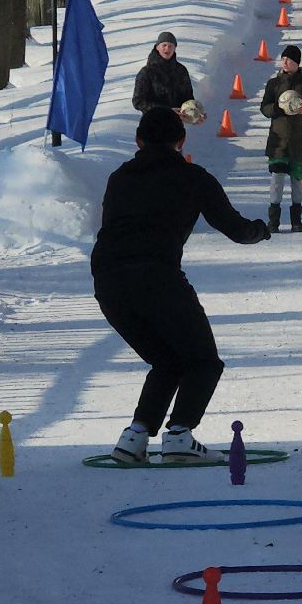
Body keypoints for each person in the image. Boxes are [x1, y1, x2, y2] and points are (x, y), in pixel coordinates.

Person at [92, 108, 272, 463]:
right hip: (156, 276)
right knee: (204, 361)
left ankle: (135, 437)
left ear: (138, 140)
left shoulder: (119, 177)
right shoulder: (193, 177)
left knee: (167, 360)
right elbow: (235, 229)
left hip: (108, 282)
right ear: (182, 140)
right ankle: (179, 435)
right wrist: (260, 231)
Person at [258, 44, 302, 233]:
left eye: (290, 60)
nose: (285, 63)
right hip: (278, 141)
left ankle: (296, 220)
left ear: (297, 63)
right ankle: (273, 221)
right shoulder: (274, 84)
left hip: (300, 141)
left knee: (297, 182)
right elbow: (264, 108)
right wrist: (276, 109)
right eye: (283, 59)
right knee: (276, 180)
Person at [132, 31, 196, 116]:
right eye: (164, 45)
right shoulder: (147, 72)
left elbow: (188, 98)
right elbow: (138, 101)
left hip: (176, 123)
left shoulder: (181, 70)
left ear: (175, 48)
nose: (167, 49)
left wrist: (195, 113)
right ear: (157, 47)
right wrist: (165, 110)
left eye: (170, 46)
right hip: (152, 123)